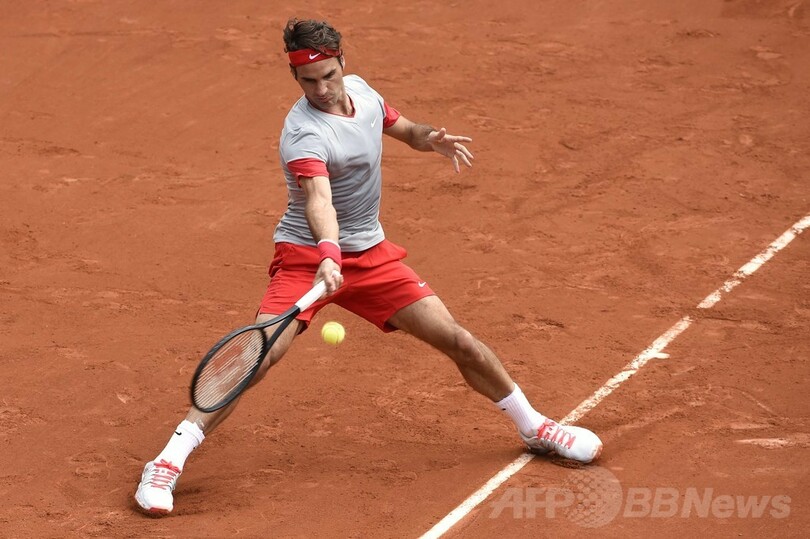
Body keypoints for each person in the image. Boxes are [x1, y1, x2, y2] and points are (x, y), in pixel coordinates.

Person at [134, 17, 602, 516]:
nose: (321, 90)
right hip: (308, 257)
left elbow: (402, 128)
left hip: (370, 255)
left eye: (328, 76)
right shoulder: (303, 133)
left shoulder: (362, 92)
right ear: (295, 78)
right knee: (259, 354)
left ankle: (534, 427)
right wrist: (328, 255)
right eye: (308, 81)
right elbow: (319, 201)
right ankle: (166, 462)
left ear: (343, 63)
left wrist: (428, 138)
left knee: (458, 340)